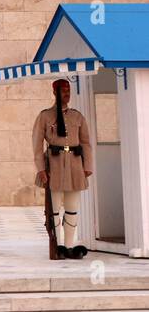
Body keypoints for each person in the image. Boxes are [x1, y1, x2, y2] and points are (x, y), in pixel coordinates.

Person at [32, 79, 93, 259]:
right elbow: (36, 145)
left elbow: (86, 143)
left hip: (75, 165)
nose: (66, 94)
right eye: (62, 91)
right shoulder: (45, 116)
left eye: (68, 90)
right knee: (55, 209)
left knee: (73, 207)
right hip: (55, 165)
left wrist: (87, 166)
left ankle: (68, 246)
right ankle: (57, 245)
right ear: (54, 93)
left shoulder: (77, 116)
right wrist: (41, 169)